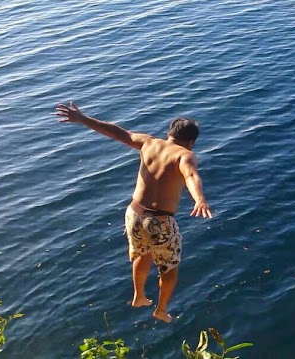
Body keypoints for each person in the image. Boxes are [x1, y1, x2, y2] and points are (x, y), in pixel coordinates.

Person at [55, 102, 212, 323]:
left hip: (134, 214)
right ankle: (161, 309)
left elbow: (117, 132)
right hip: (160, 220)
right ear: (191, 141)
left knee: (142, 253)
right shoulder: (185, 155)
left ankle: (138, 295)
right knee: (169, 268)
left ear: (169, 134)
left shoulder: (149, 143)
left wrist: (83, 119)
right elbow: (191, 176)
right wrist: (200, 199)